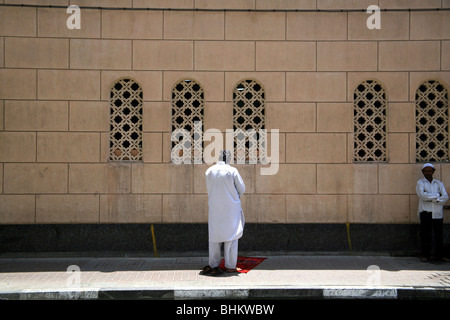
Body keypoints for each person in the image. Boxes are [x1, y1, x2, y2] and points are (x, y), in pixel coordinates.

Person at [201, 150, 246, 276]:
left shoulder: (209, 171)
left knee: (214, 238)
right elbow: (241, 189)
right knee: (231, 237)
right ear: (228, 159)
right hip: (231, 208)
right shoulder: (232, 171)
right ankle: (230, 266)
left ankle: (213, 265)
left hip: (215, 208)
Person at [416, 163, 449, 262]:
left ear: (433, 171)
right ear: (423, 172)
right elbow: (422, 196)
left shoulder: (439, 183)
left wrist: (434, 198)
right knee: (426, 235)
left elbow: (445, 196)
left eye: (429, 171)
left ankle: (439, 256)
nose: (427, 173)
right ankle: (425, 255)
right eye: (426, 171)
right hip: (426, 212)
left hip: (437, 213)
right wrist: (436, 196)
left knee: (438, 235)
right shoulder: (420, 183)